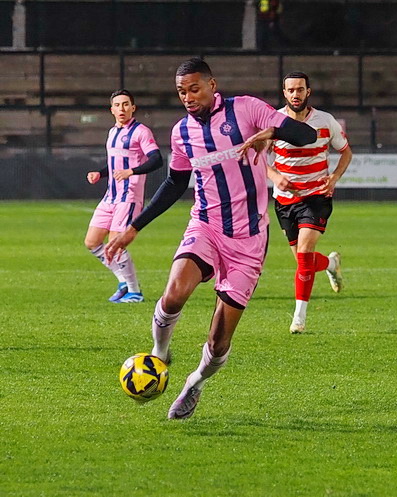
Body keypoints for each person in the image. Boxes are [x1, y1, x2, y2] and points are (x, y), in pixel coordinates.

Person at [105, 57, 316, 420]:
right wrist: (134, 227)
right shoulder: (182, 132)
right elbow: (174, 183)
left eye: (194, 88)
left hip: (248, 240)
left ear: (212, 85)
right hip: (205, 225)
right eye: (181, 91)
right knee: (173, 293)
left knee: (219, 342)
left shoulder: (247, 109)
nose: (188, 97)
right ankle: (159, 353)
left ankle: (195, 383)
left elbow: (305, 135)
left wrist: (271, 132)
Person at [268, 71, 352, 334]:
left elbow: (346, 152)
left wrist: (334, 177)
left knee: (304, 255)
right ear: (285, 93)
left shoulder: (325, 121)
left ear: (308, 92)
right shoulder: (275, 121)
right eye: (291, 90)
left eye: (300, 89)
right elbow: (259, 158)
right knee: (304, 261)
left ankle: (299, 318)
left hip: (316, 197)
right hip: (284, 201)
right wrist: (275, 176)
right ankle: (331, 264)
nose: (296, 94)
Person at [84, 89, 163, 303]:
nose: (122, 108)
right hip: (110, 195)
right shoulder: (112, 132)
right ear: (112, 110)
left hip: (128, 197)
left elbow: (157, 160)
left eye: (126, 104)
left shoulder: (140, 132)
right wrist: (100, 173)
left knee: (116, 243)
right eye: (118, 105)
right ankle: (123, 282)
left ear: (133, 108)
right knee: (92, 242)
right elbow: (114, 164)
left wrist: (133, 171)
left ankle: (134, 291)